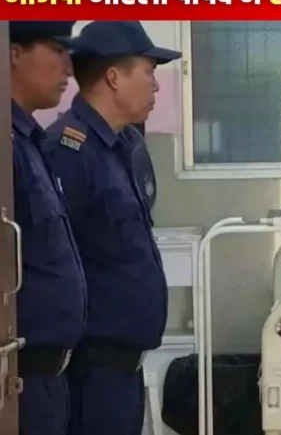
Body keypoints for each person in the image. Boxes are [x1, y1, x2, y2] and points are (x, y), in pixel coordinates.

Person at [41, 21, 181, 435]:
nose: (156, 85)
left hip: (124, 367)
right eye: (149, 71)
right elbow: (58, 258)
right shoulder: (69, 150)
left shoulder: (123, 144)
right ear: (114, 77)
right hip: (92, 369)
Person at [8, 21, 87, 435]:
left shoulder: (30, 142)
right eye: (58, 52)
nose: (69, 69)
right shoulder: (7, 147)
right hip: (20, 375)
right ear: (14, 53)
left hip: (51, 376)